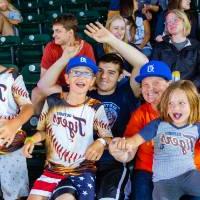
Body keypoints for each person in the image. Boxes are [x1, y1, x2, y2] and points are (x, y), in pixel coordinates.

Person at [36, 22, 148, 199]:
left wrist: (110, 39)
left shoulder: (127, 92)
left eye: (111, 73)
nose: (104, 76)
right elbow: (43, 86)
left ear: (120, 77)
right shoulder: (81, 91)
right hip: (77, 163)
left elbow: (142, 63)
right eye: (100, 71)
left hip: (112, 161)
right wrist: (65, 58)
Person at [23, 56, 113, 200]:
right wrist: (31, 140)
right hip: (53, 169)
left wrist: (100, 142)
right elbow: (43, 131)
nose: (81, 77)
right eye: (76, 72)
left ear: (92, 81)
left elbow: (108, 137)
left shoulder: (95, 106)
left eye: (87, 74)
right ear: (67, 78)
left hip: (82, 170)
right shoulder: (53, 100)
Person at [109, 61, 200, 200]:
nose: (149, 88)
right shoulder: (141, 114)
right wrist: (120, 152)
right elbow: (130, 149)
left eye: (156, 82)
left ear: (169, 85)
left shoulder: (192, 112)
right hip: (147, 171)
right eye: (145, 84)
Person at [31, 13, 95, 114]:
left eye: (58, 31)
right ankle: (35, 125)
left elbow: (90, 80)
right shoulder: (51, 47)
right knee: (36, 92)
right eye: (53, 31)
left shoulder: (86, 47)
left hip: (80, 87)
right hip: (58, 88)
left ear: (70, 33)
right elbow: (42, 83)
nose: (53, 35)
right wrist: (64, 59)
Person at [0, 65, 34, 199]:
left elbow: (28, 107)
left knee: (14, 195)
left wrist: (14, 123)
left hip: (9, 141)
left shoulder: (11, 76)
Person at [151, 9, 200, 90]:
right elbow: (153, 71)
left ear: (184, 22)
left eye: (175, 20)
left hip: (189, 92)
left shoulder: (197, 47)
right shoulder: (159, 47)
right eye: (168, 22)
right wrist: (163, 85)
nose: (171, 23)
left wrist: (189, 87)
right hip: (165, 92)